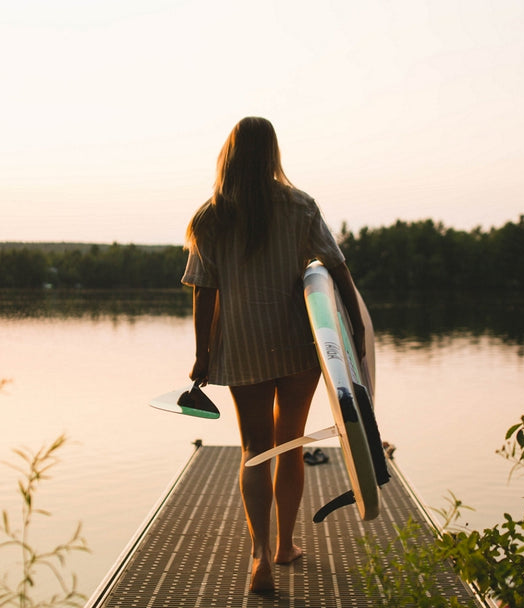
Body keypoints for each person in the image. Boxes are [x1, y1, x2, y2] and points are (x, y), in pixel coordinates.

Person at [182, 116, 365, 593]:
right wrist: (355, 334)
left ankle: (260, 556)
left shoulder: (211, 216)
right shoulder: (300, 206)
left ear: (230, 154)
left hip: (241, 347)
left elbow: (204, 292)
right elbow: (337, 270)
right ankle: (285, 545)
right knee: (291, 444)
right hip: (298, 345)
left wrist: (203, 356)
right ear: (273, 153)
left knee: (254, 450)